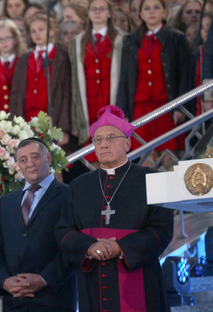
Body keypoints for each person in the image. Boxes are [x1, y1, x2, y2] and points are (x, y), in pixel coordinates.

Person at [55, 105, 173, 312]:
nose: (103, 144)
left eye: (111, 137)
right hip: (92, 279)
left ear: (127, 143)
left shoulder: (152, 179)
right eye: (98, 139)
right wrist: (89, 247)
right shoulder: (78, 186)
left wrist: (121, 248)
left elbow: (161, 230)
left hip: (139, 278)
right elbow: (63, 231)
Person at [0, 138, 77, 312]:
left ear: (48, 158)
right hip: (15, 300)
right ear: (18, 165)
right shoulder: (6, 202)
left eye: (35, 157)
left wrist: (44, 279)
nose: (30, 164)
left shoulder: (70, 194)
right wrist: (4, 281)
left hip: (55, 298)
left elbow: (73, 246)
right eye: (23, 160)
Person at [116, 0, 190, 160]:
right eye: (147, 8)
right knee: (145, 159)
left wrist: (180, 107)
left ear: (164, 12)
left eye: (156, 8)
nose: (152, 12)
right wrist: (123, 113)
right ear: (140, 14)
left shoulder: (177, 38)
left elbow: (185, 75)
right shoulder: (130, 41)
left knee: (168, 157)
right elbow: (124, 78)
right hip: (140, 109)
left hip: (167, 107)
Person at [9, 12, 75, 153]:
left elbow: (66, 94)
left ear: (51, 31)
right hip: (27, 120)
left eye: (41, 29)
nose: (37, 34)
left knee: (53, 161)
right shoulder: (24, 59)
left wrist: (63, 128)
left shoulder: (61, 57)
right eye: (33, 31)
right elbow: (15, 94)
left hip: (52, 118)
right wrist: (14, 126)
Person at [69, 0, 124, 163]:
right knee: (94, 152)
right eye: (94, 9)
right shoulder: (77, 42)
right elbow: (73, 83)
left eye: (102, 9)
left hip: (111, 99)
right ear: (89, 13)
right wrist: (76, 118)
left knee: (115, 148)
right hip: (89, 104)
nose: (98, 12)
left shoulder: (121, 39)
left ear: (109, 13)